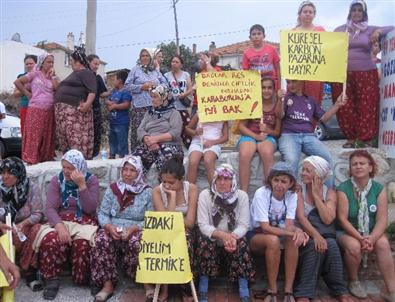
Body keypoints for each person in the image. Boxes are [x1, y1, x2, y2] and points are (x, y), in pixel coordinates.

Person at [331, 0, 394, 148]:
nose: (357, 13)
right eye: (354, 10)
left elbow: (391, 27)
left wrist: (378, 32)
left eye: (360, 10)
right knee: (345, 105)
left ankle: (364, 139)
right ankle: (351, 138)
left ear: (364, 13)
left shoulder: (370, 29)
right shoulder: (340, 30)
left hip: (366, 72)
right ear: (349, 12)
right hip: (343, 74)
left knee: (367, 106)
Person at [38, 149, 99, 300]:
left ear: (79, 168)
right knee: (50, 240)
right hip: (62, 219)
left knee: (83, 243)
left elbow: (90, 208)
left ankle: (82, 277)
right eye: (64, 167)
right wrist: (60, 227)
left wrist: (82, 186)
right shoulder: (57, 180)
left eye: (70, 168)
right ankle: (51, 279)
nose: (66, 171)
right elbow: (50, 208)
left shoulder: (91, 180)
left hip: (84, 219)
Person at [90, 155, 153, 302]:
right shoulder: (113, 189)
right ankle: (107, 285)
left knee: (139, 242)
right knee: (101, 240)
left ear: (139, 173)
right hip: (114, 228)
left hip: (136, 229)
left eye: (132, 170)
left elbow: (151, 219)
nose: (127, 173)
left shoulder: (147, 192)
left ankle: (147, 283)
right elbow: (103, 213)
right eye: (125, 169)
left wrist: (134, 229)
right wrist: (109, 226)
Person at [337, 150, 395, 301]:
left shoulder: (378, 189)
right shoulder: (343, 189)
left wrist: (372, 238)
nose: (358, 167)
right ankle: (353, 280)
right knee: (354, 246)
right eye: (354, 164)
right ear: (350, 169)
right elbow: (342, 220)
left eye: (362, 163)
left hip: (371, 231)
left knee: (383, 243)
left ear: (370, 167)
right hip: (348, 231)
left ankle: (391, 290)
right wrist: (361, 238)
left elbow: (382, 219)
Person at [294, 156, 351, 302]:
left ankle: (339, 290)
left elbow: (328, 219)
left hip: (326, 235)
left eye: (308, 170)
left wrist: (316, 196)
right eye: (303, 169)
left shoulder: (330, 193)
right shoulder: (298, 189)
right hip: (305, 233)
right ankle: (303, 292)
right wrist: (316, 236)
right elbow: (301, 217)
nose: (303, 173)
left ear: (318, 175)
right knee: (314, 246)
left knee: (332, 245)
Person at [249, 162, 308, 302]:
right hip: (256, 235)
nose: (279, 184)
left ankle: (288, 290)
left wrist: (298, 231)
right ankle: (272, 290)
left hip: (279, 233)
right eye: (276, 180)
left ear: (290, 183)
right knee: (273, 240)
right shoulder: (262, 193)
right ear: (270, 180)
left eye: (284, 181)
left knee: (292, 240)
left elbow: (288, 225)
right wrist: (294, 232)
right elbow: (265, 227)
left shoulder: (292, 195)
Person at [196, 164, 254, 302]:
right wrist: (222, 235)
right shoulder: (205, 195)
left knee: (242, 242)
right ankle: (203, 287)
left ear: (233, 181)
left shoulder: (242, 196)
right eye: (219, 178)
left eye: (227, 179)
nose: (222, 182)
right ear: (214, 180)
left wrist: (232, 237)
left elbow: (244, 225)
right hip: (214, 239)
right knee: (204, 241)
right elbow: (203, 225)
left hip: (232, 239)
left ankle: (243, 288)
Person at [278, 79, 347, 188]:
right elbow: (280, 115)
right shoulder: (286, 98)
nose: (290, 85)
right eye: (288, 82)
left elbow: (324, 118)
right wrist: (280, 100)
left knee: (327, 158)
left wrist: (337, 105)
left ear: (302, 82)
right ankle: (290, 195)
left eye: (294, 82)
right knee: (291, 161)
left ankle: (328, 194)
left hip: (309, 136)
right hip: (289, 135)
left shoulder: (310, 100)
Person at [151, 157, 198, 302]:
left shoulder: (191, 189)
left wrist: (171, 216)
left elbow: (190, 222)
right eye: (164, 181)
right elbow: (165, 222)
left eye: (171, 182)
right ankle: (164, 288)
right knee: (163, 244)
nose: (166, 185)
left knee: (185, 242)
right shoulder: (157, 192)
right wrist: (171, 197)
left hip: (187, 232)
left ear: (181, 179)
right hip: (165, 232)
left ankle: (186, 289)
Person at [0, 157, 44, 291]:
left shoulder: (31, 188)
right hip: (3, 225)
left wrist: (22, 225)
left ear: (19, 173)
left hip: (23, 226)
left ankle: (29, 271)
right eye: (3, 172)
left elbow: (38, 213)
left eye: (10, 173)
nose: (5, 177)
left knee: (37, 230)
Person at [238, 77, 282, 192]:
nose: (266, 91)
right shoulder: (252, 102)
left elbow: (277, 132)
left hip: (268, 137)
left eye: (269, 88)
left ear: (274, 90)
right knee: (245, 154)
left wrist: (267, 130)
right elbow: (241, 126)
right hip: (250, 135)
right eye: (263, 88)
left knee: (267, 152)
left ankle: (269, 191)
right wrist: (256, 136)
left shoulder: (277, 105)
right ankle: (244, 193)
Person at [14, 53, 59, 164]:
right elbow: (17, 82)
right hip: (36, 110)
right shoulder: (35, 74)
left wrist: (53, 77)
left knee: (47, 136)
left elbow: (57, 89)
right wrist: (27, 93)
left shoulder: (52, 77)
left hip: (49, 110)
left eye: (52, 62)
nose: (51, 64)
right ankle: (31, 159)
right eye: (48, 62)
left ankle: (45, 158)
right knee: (34, 135)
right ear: (42, 63)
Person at [55, 48, 97, 159]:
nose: (70, 63)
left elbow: (92, 90)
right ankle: (68, 162)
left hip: (75, 113)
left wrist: (87, 104)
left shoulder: (86, 73)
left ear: (78, 61)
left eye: (72, 61)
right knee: (65, 139)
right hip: (64, 113)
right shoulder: (74, 74)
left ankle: (77, 162)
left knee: (75, 138)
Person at [132, 84, 183, 174]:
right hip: (149, 144)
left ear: (164, 98)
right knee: (134, 162)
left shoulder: (174, 113)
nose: (152, 99)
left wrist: (155, 139)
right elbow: (140, 130)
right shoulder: (150, 113)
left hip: (169, 145)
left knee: (166, 162)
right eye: (151, 97)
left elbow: (175, 133)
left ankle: (166, 187)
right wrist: (147, 140)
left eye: (155, 97)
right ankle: (135, 186)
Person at [125, 48, 167, 151]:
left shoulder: (155, 71)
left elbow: (166, 84)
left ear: (151, 57)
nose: (144, 58)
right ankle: (137, 156)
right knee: (139, 132)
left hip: (154, 107)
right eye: (142, 56)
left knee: (153, 132)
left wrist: (156, 86)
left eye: (147, 55)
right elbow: (127, 86)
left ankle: (152, 155)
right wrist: (141, 87)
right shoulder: (135, 69)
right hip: (140, 107)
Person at [292, 1, 325, 105]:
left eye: (310, 12)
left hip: (315, 76)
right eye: (305, 11)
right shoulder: (292, 32)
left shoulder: (321, 31)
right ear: (300, 14)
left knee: (312, 102)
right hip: (297, 75)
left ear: (314, 15)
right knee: (296, 103)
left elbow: (326, 52)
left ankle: (312, 122)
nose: (307, 14)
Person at [185, 113, 229, 185]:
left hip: (214, 143)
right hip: (197, 142)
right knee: (193, 161)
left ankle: (214, 190)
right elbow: (187, 129)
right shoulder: (199, 113)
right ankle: (190, 190)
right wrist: (195, 132)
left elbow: (225, 137)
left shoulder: (223, 115)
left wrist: (213, 142)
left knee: (208, 160)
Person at [165, 55, 194, 148]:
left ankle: (189, 148)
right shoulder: (166, 75)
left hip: (182, 106)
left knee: (186, 128)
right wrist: (167, 95)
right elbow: (163, 89)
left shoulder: (186, 75)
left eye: (177, 62)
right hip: (170, 108)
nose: (174, 64)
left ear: (181, 64)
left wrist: (184, 94)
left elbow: (190, 89)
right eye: (173, 61)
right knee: (171, 129)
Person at [242, 24, 280, 88]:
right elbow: (246, 73)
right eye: (253, 34)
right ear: (250, 37)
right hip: (255, 87)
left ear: (264, 36)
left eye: (259, 34)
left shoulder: (272, 49)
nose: (256, 36)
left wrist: (279, 87)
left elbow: (278, 69)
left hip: (272, 87)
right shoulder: (246, 53)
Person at [105, 70, 132, 159]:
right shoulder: (113, 91)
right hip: (112, 122)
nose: (113, 81)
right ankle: (112, 156)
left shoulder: (125, 91)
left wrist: (114, 106)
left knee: (122, 143)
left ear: (120, 80)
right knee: (112, 141)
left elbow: (126, 104)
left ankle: (122, 159)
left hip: (121, 122)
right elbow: (107, 100)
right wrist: (111, 103)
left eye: (115, 79)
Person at [87, 54, 108, 158]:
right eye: (95, 64)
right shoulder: (83, 76)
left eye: (98, 64)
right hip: (84, 110)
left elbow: (102, 93)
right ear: (88, 62)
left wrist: (113, 91)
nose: (96, 66)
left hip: (95, 109)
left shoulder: (98, 78)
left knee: (96, 133)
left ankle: (93, 155)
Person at [13, 54, 37, 134]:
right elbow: (15, 94)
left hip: (39, 108)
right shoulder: (21, 77)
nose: (29, 65)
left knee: (36, 132)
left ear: (36, 64)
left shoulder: (41, 76)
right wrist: (25, 90)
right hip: (25, 107)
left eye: (31, 63)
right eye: (27, 64)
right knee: (25, 131)